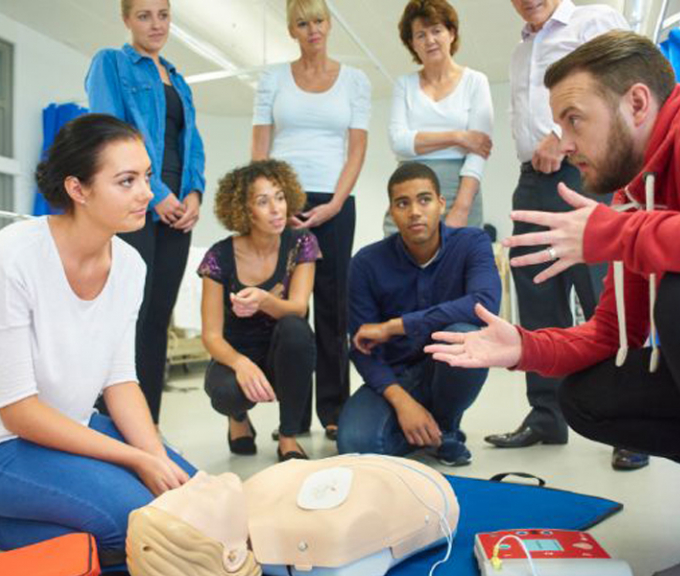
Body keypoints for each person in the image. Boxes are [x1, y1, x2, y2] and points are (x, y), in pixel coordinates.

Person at [427, 30, 680, 576]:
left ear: (635, 103)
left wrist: (622, 237)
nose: (563, 142)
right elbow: (609, 336)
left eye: (574, 119)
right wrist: (523, 347)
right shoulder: (637, 193)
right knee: (590, 395)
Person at [0, 114, 196, 568]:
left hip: (71, 426)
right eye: (126, 181)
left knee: (191, 500)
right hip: (5, 442)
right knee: (142, 523)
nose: (147, 193)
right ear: (78, 189)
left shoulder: (129, 265)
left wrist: (153, 456)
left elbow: (120, 379)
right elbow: (19, 410)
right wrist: (135, 459)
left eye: (146, 176)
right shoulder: (13, 256)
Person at [488, 0, 645, 471]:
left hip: (586, 173)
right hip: (531, 180)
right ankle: (547, 414)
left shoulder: (593, 21)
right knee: (536, 295)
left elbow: (624, 94)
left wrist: (565, 138)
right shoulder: (520, 51)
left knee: (604, 296)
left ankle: (631, 424)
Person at [251, 0, 371, 442]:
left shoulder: (355, 81)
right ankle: (293, 416)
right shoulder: (273, 79)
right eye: (302, 23)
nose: (312, 29)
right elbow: (260, 149)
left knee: (333, 308)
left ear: (329, 23)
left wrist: (335, 204)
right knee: (289, 311)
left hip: (334, 203)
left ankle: (335, 408)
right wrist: (268, 205)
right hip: (284, 203)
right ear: (291, 30)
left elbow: (356, 149)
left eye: (318, 20)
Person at [85, 0, 206, 424]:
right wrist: (154, 192)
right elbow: (108, 133)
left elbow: (193, 144)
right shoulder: (112, 64)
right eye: (144, 16)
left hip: (177, 212)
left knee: (157, 322)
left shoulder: (178, 79)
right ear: (125, 19)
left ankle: (146, 426)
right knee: (126, 322)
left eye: (163, 15)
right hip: (135, 205)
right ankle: (108, 427)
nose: (155, 24)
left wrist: (194, 192)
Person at [337, 163, 501, 466]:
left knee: (465, 335)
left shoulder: (471, 244)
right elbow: (361, 347)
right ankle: (425, 428)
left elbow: (486, 304)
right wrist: (401, 402)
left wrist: (395, 327)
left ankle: (447, 425)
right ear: (392, 212)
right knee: (355, 445)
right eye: (403, 203)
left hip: (447, 367)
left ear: (441, 204)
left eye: (424, 200)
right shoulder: (365, 263)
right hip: (395, 376)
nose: (414, 211)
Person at [198, 160, 320, 462]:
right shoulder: (219, 256)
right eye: (263, 202)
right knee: (226, 393)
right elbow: (211, 336)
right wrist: (240, 364)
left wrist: (264, 300)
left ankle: (288, 436)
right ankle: (238, 419)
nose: (277, 209)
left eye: (279, 197)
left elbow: (298, 308)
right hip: (234, 353)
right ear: (244, 209)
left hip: (280, 351)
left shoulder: (301, 243)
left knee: (296, 330)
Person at [386, 0, 493, 236]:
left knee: (458, 266)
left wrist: (461, 208)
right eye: (420, 35)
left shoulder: (476, 81)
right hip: (409, 187)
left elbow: (479, 151)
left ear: (451, 33)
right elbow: (399, 142)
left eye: (437, 31)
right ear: (412, 43)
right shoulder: (404, 85)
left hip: (461, 188)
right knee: (401, 266)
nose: (430, 40)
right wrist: (458, 137)